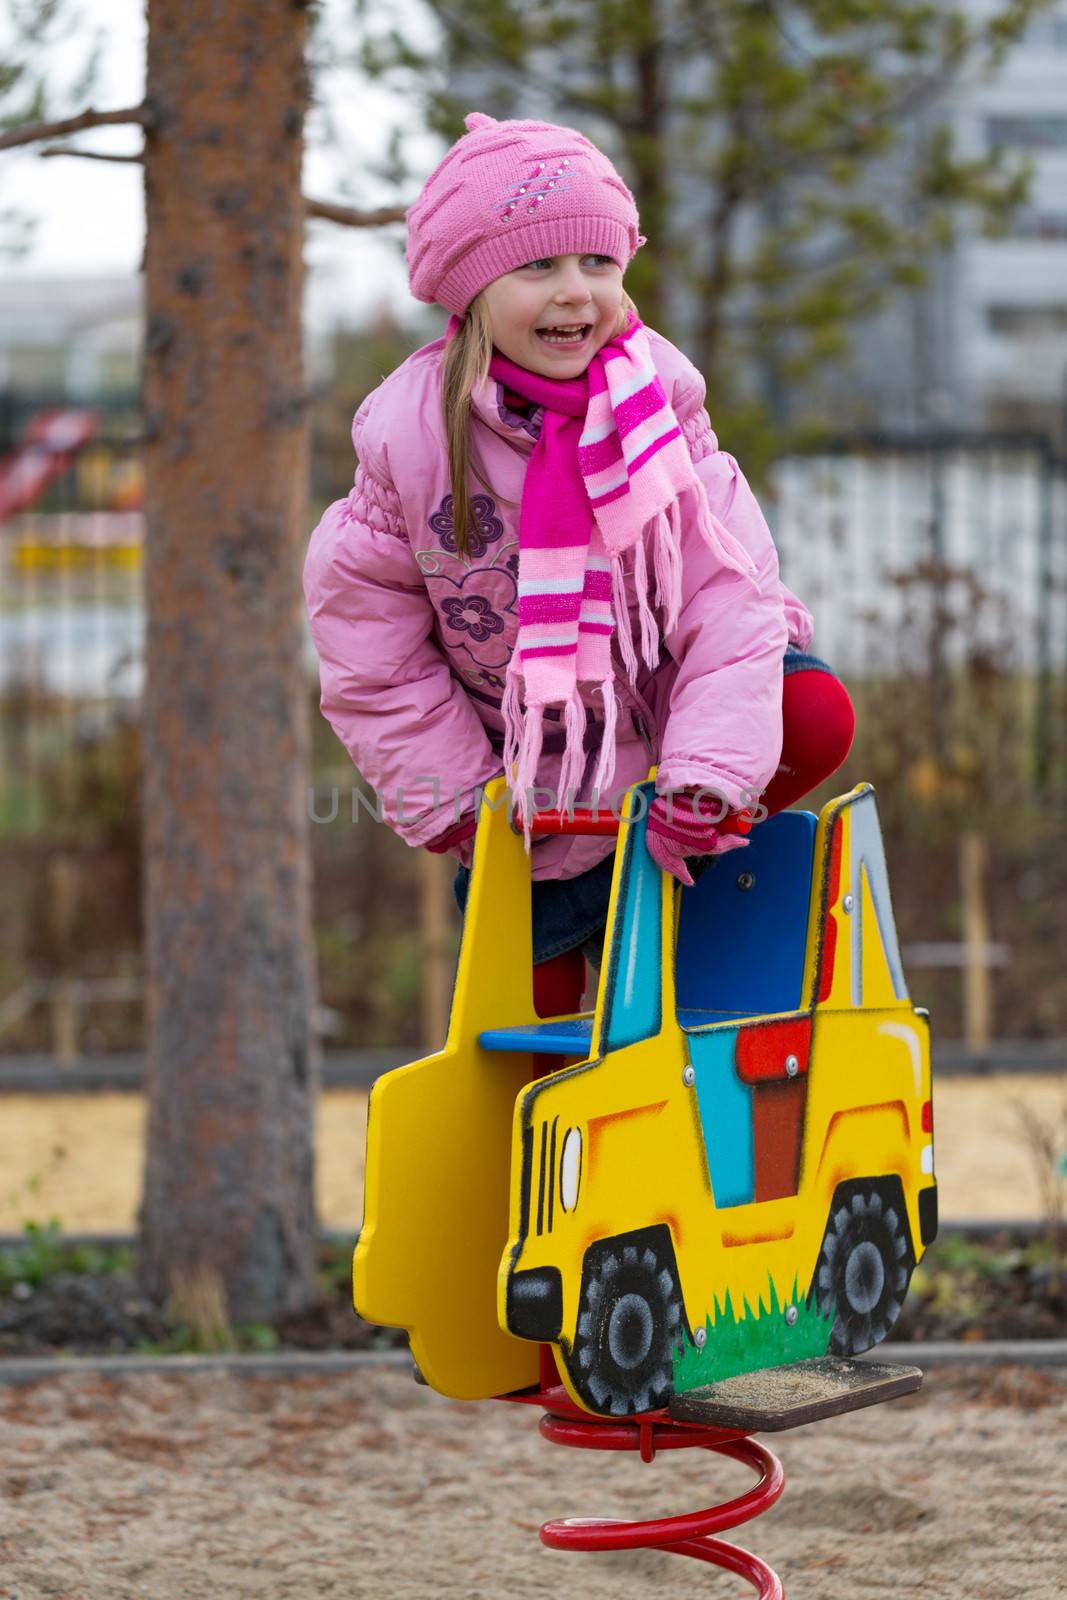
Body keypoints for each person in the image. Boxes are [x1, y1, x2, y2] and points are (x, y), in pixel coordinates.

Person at [304, 112, 855, 1019]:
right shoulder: (407, 440)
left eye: (598, 263)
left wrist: (708, 776)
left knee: (811, 708)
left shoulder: (659, 412)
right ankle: (586, 925)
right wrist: (455, 799)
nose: (575, 294)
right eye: (538, 267)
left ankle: (689, 850)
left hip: (669, 715)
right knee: (526, 1017)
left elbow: (732, 602)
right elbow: (372, 647)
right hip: (529, 774)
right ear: (470, 288)